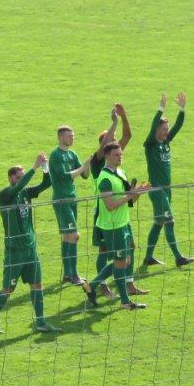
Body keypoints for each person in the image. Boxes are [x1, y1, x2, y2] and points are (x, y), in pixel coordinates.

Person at [0, 154, 61, 334]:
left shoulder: (26, 193)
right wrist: (33, 168)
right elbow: (20, 186)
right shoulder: (5, 195)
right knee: (8, 288)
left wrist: (45, 168)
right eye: (18, 177)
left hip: (30, 249)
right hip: (14, 252)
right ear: (11, 178)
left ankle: (41, 322)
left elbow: (46, 184)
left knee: (37, 285)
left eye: (22, 177)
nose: (22, 181)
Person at [87, 104, 146, 298]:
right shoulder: (96, 162)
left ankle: (128, 284)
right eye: (110, 140)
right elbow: (108, 141)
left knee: (129, 248)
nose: (115, 142)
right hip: (105, 212)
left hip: (120, 211)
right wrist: (114, 122)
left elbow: (127, 137)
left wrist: (124, 116)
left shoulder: (115, 161)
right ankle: (101, 285)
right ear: (103, 147)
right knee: (105, 251)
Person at [86, 144, 151, 310]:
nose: (119, 157)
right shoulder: (105, 179)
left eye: (120, 154)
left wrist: (138, 193)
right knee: (121, 262)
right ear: (107, 156)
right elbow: (109, 205)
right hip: (112, 226)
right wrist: (130, 194)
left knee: (123, 260)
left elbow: (129, 202)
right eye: (116, 155)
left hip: (123, 223)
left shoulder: (121, 173)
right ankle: (125, 301)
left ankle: (91, 286)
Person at [143, 92, 194, 268]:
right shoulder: (150, 144)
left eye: (167, 130)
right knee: (169, 221)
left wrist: (182, 109)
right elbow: (152, 127)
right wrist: (161, 108)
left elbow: (178, 126)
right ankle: (178, 257)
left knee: (158, 223)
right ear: (156, 130)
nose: (166, 132)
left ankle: (148, 257)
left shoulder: (165, 142)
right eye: (163, 130)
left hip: (166, 189)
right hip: (157, 190)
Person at [49, 126, 91, 287]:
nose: (72, 138)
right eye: (69, 136)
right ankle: (73, 274)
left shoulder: (72, 154)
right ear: (60, 137)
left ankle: (67, 274)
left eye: (73, 135)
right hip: (62, 200)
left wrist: (88, 165)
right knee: (74, 235)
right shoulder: (56, 155)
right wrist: (82, 168)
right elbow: (65, 176)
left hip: (72, 199)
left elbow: (85, 175)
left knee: (67, 236)